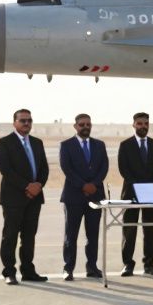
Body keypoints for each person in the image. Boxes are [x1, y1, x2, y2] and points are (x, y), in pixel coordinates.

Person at [0, 109, 50, 285]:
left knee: (29, 236)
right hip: (13, 198)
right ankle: (9, 272)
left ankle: (28, 270)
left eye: (29, 120)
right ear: (15, 123)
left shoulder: (37, 143)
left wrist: (38, 185)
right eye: (23, 120)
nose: (27, 123)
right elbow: (6, 170)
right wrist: (27, 186)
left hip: (34, 198)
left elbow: (44, 168)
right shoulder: (4, 143)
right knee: (10, 235)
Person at [58, 113, 108, 280]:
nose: (85, 127)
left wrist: (93, 184)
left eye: (88, 124)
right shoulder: (66, 145)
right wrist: (83, 185)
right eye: (82, 124)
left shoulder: (99, 145)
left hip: (95, 195)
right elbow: (67, 168)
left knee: (93, 235)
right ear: (75, 126)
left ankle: (92, 267)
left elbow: (104, 167)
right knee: (71, 235)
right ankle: (68, 268)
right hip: (74, 197)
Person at [117, 112, 153, 276]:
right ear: (134, 125)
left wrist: (150, 187)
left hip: (151, 194)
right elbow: (124, 169)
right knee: (129, 230)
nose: (143, 126)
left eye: (146, 123)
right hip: (131, 194)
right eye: (140, 123)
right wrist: (138, 188)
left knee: (149, 231)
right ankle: (128, 264)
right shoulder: (125, 145)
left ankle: (149, 265)